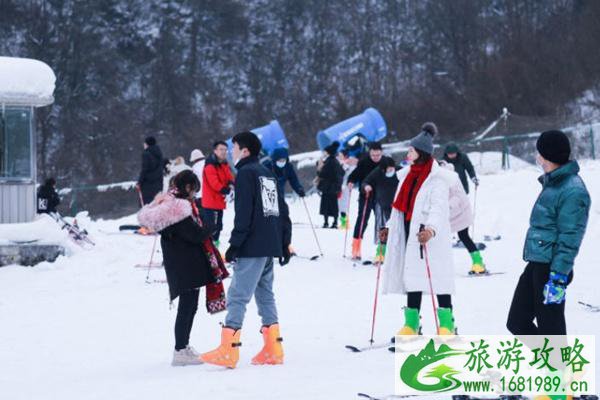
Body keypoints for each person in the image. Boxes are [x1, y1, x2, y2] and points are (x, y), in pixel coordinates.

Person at [200, 131, 285, 369]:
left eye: (234, 147)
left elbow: (244, 214)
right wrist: (281, 242)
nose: (231, 151)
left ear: (245, 150)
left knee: (237, 295)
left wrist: (234, 245)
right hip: (269, 244)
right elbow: (276, 210)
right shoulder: (266, 172)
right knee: (265, 294)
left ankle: (229, 349)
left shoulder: (246, 174)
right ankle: (273, 347)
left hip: (253, 245)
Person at [137, 170, 227, 366]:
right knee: (187, 308)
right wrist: (212, 226)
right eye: (194, 190)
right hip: (186, 265)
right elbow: (195, 235)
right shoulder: (178, 209)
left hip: (182, 264)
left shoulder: (168, 205)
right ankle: (180, 350)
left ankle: (183, 347)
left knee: (189, 307)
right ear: (187, 187)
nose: (195, 195)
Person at [506, 130, 590, 337]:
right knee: (517, 322)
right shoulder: (553, 183)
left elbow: (571, 238)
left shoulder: (573, 190)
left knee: (551, 329)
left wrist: (558, 277)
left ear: (546, 155)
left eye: (539, 152)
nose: (537, 156)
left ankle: (556, 367)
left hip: (552, 268)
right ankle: (551, 362)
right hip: (537, 262)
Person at [382, 122, 457, 337]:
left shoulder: (437, 179)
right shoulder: (406, 176)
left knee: (439, 279)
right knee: (412, 278)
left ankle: (446, 325)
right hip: (408, 233)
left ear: (421, 153)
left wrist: (431, 230)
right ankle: (412, 324)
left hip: (430, 237)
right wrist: (388, 228)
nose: (408, 153)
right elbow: (398, 207)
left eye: (411, 150)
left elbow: (439, 208)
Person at [438, 160, 484, 274]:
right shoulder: (438, 177)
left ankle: (478, 263)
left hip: (461, 212)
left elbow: (458, 196)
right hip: (449, 213)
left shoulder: (451, 177)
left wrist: (447, 206)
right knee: (438, 238)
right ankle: (438, 266)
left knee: (463, 236)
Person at [347, 141, 385, 260]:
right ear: (370, 153)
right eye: (373, 155)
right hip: (366, 195)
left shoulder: (385, 162)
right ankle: (356, 249)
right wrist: (351, 181)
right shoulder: (364, 162)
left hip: (381, 196)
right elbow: (355, 174)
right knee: (363, 220)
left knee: (382, 222)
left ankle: (381, 251)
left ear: (381, 153)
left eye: (378, 155)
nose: (375, 158)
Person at [263, 147, 304, 255]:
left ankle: (286, 246)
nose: (282, 162)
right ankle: (270, 246)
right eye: (279, 160)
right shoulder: (266, 166)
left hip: (280, 198)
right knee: (271, 223)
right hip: (268, 199)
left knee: (285, 222)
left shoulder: (288, 167)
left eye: (284, 160)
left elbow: (293, 180)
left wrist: (299, 189)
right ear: (274, 159)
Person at [362, 156, 400, 262]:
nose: (391, 171)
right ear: (383, 169)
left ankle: (396, 254)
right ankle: (381, 254)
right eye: (388, 169)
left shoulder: (400, 170)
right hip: (382, 204)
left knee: (397, 229)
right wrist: (366, 187)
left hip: (397, 205)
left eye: (392, 168)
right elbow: (366, 181)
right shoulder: (377, 172)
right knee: (383, 229)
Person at [201, 141, 234, 248]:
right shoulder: (210, 165)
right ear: (215, 151)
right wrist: (227, 190)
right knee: (212, 228)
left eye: (225, 149)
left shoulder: (224, 164)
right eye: (221, 149)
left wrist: (231, 184)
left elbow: (229, 177)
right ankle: (208, 249)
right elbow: (214, 183)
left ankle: (215, 248)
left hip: (219, 202)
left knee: (218, 226)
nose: (223, 152)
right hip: (211, 203)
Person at [317, 141, 344, 228]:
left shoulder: (328, 162)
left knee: (326, 205)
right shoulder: (336, 162)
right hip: (335, 188)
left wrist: (319, 167)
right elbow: (341, 173)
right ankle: (335, 222)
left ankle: (326, 222)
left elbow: (322, 174)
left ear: (328, 153)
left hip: (327, 187)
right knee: (334, 205)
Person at [137, 136, 165, 205]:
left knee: (149, 206)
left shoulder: (146, 154)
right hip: (159, 183)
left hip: (148, 185)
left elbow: (144, 169)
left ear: (147, 144)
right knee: (158, 204)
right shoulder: (159, 154)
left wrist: (139, 182)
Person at [337, 150, 358, 230]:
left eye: (340, 155)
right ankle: (342, 222)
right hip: (338, 187)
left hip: (345, 187)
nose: (339, 156)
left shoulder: (350, 165)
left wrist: (347, 166)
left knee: (343, 205)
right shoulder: (338, 163)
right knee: (338, 204)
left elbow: (352, 174)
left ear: (345, 156)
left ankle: (345, 223)